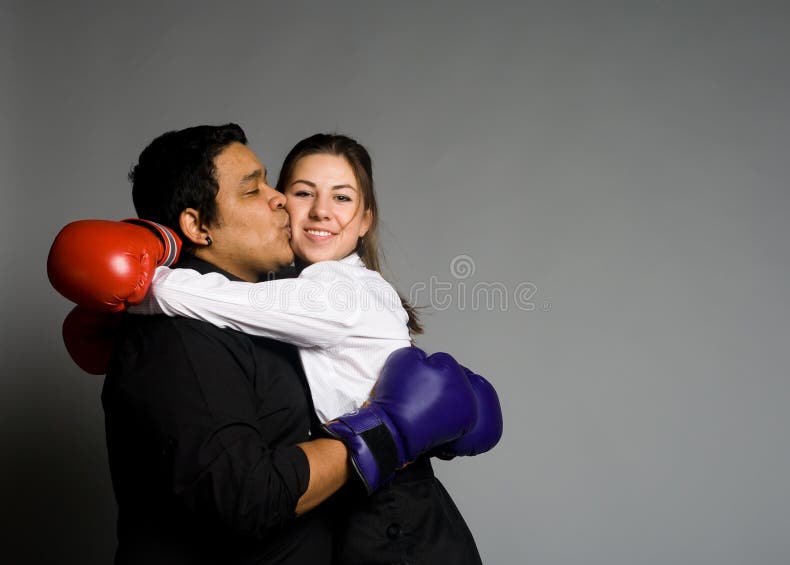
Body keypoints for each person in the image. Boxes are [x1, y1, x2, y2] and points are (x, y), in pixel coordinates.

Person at [46, 124, 496, 564]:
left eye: (342, 197)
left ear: (365, 220)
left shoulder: (320, 299)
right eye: (255, 189)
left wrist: (149, 270)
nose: (279, 199)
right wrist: (390, 430)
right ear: (197, 225)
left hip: (403, 530)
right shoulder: (187, 333)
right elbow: (246, 498)